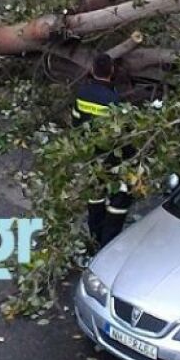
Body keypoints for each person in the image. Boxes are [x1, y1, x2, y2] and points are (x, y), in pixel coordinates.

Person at [73, 54, 132, 247]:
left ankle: (94, 238)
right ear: (112, 71)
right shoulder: (114, 101)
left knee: (95, 196)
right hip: (111, 158)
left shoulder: (82, 93)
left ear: (92, 70)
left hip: (89, 155)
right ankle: (108, 242)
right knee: (119, 198)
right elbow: (124, 134)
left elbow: (75, 122)